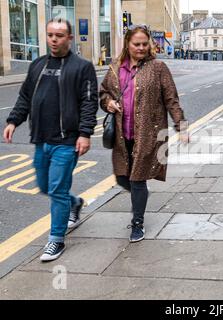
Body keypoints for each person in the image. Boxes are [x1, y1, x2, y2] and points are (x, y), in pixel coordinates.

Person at [3, 18, 98, 262]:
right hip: (41, 139)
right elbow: (25, 96)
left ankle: (56, 240)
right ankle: (74, 203)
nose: (54, 39)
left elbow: (89, 102)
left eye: (59, 35)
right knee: (46, 187)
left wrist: (85, 134)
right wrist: (14, 121)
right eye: (50, 35)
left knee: (56, 189)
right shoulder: (37, 65)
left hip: (67, 141)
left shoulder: (82, 67)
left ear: (69, 38)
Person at [99, 24, 188, 243]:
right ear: (127, 44)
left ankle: (137, 223)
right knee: (122, 177)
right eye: (136, 44)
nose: (140, 48)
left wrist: (181, 125)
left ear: (150, 45)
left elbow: (171, 99)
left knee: (137, 179)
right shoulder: (115, 68)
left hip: (148, 134)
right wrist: (108, 102)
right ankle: (141, 196)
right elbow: (103, 94)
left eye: (144, 44)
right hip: (122, 135)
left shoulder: (158, 68)